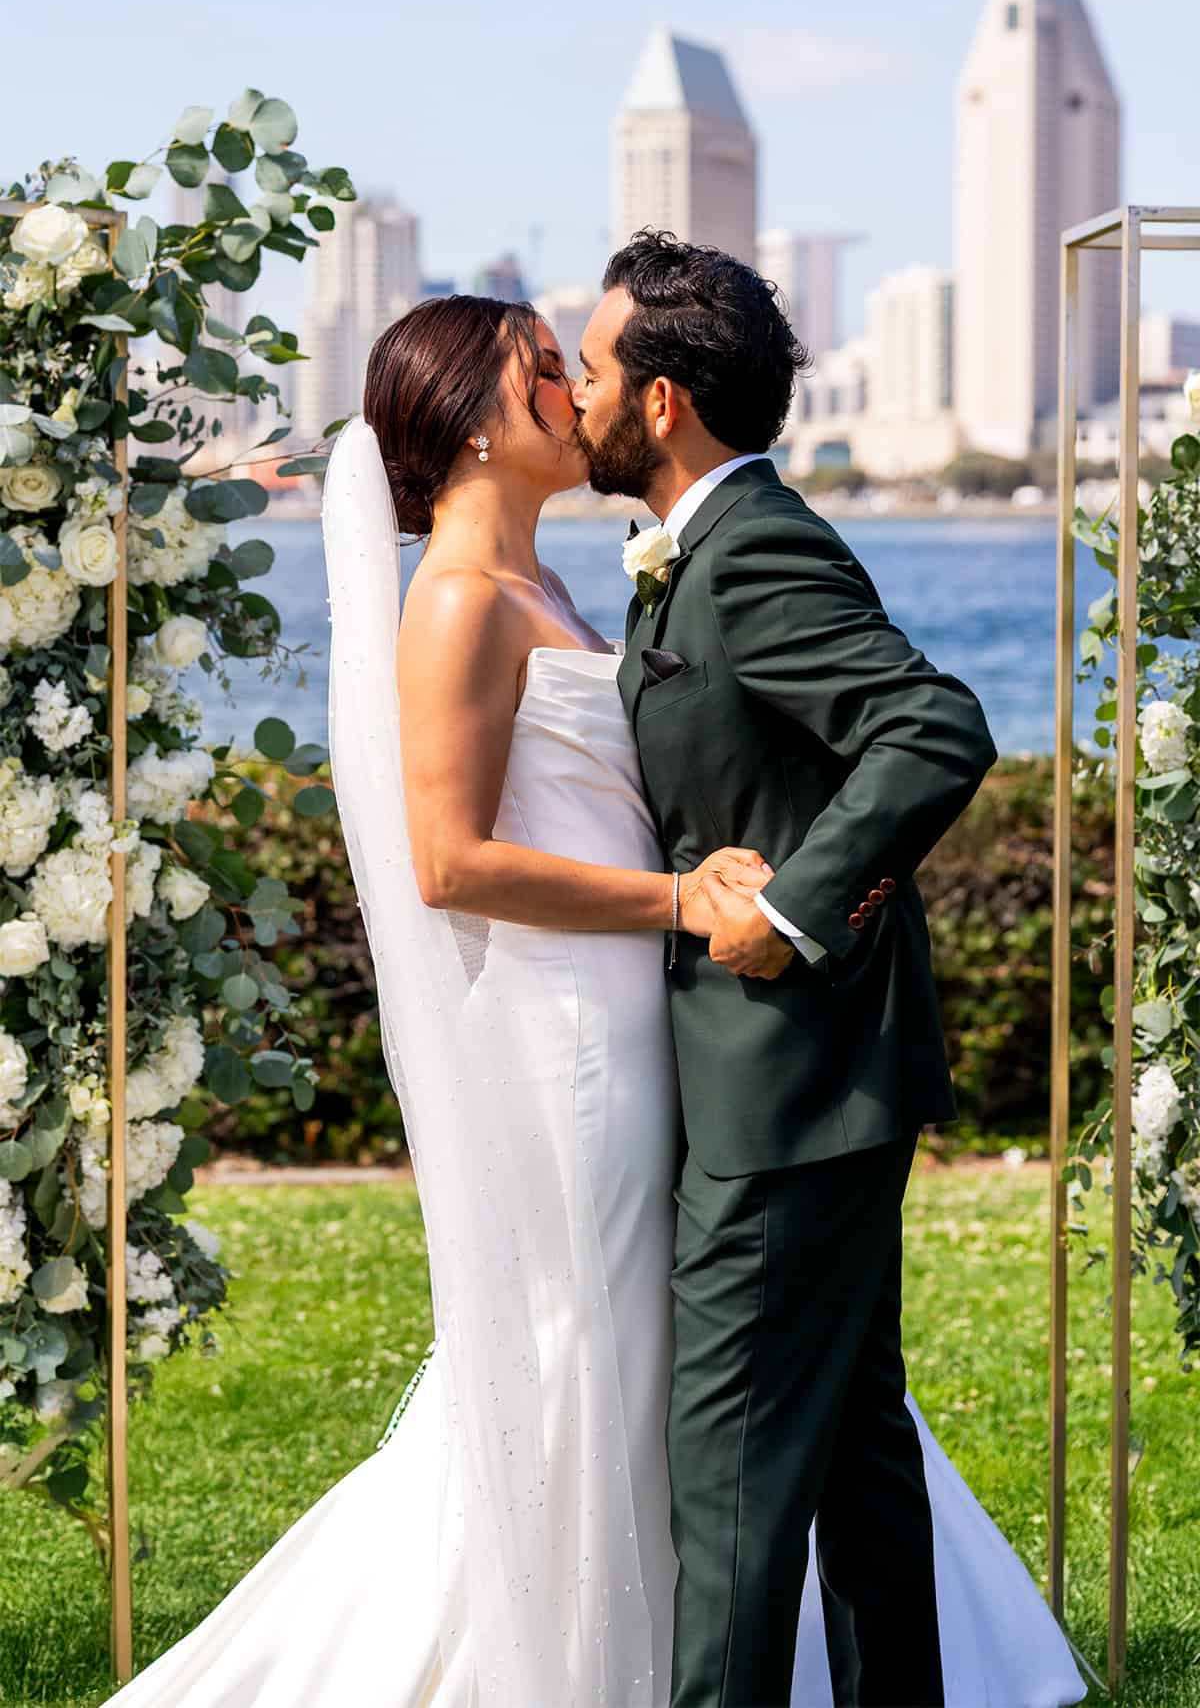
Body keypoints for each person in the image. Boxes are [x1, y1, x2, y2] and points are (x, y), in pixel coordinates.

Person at [105, 289, 1086, 1707]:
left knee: (708, 1383)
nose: (573, 394)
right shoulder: (454, 599)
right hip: (579, 1047)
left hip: (671, 1039)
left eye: (583, 368)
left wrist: (766, 899)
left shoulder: (570, 588)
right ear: (473, 426)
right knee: (603, 1359)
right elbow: (449, 861)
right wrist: (683, 901)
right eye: (543, 376)